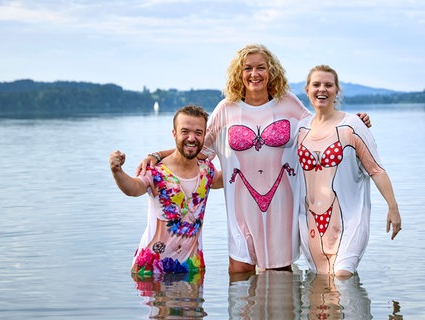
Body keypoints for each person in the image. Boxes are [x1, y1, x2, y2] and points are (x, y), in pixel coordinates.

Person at [137, 44, 371, 274]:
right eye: (247, 68)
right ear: (239, 73)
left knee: (280, 275)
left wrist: (353, 123)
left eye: (261, 67)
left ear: (271, 72)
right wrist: (158, 155)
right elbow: (195, 149)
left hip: (282, 204)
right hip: (241, 206)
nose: (254, 74)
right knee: (239, 272)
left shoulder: (288, 103)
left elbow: (321, 130)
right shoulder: (226, 109)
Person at [297, 65, 401, 278]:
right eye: (316, 84)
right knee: (321, 282)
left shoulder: (352, 125)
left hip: (349, 219)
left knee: (343, 275)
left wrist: (393, 207)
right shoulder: (300, 128)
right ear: (307, 90)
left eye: (328, 85)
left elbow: (376, 170)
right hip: (310, 222)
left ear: (337, 91)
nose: (322, 89)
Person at [109, 104, 222, 276]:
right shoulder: (156, 171)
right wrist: (117, 171)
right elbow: (133, 188)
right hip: (151, 271)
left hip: (192, 270)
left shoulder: (207, 170)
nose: (191, 138)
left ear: (204, 135)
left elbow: (231, 177)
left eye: (198, 133)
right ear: (174, 134)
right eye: (185, 132)